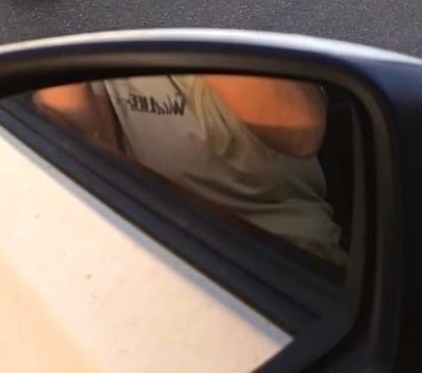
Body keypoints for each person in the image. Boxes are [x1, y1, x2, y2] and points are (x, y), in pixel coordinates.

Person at [33, 74, 347, 266]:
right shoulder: (111, 28)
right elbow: (90, 147)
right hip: (168, 253)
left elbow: (301, 132)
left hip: (286, 261)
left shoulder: (227, 10)